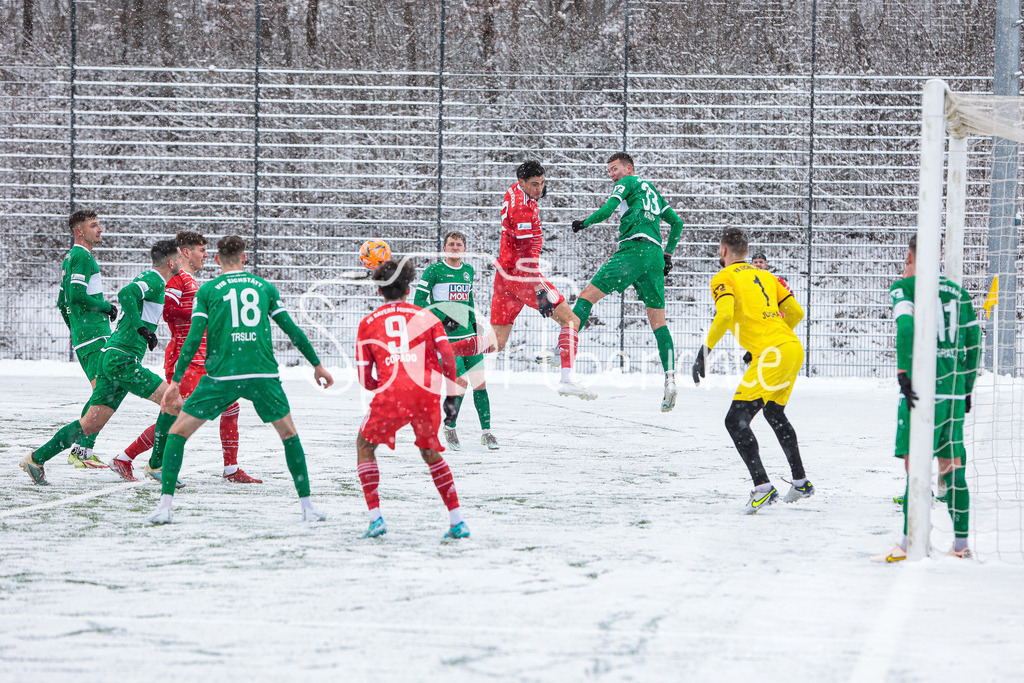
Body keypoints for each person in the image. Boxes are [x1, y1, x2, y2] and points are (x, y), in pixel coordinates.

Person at [146, 236, 333, 524]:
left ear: (218, 259)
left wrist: (175, 381)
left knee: (177, 433)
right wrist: (317, 365)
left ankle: (165, 507)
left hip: (222, 375)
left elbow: (194, 338)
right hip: (261, 374)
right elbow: (292, 329)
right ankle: (307, 507)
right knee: (289, 435)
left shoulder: (207, 290)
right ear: (244, 259)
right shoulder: (264, 288)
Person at [22, 240, 183, 485]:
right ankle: (156, 465)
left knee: (89, 424)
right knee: (172, 402)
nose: (182, 261)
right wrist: (141, 328)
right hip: (122, 360)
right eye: (181, 257)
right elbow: (125, 293)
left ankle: (36, 458)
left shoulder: (153, 280)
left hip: (111, 358)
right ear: (171, 262)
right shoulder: (153, 280)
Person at [111, 231, 259, 483]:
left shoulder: (191, 281)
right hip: (185, 359)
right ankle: (126, 458)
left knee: (229, 407)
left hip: (202, 358)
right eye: (201, 251)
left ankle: (231, 469)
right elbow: (168, 312)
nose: (205, 256)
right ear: (186, 253)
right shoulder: (177, 280)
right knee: (177, 414)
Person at [872, 235, 981, 562]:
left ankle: (909, 543)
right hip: (951, 391)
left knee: (915, 467)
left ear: (910, 257)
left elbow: (905, 328)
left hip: (921, 392)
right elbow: (974, 344)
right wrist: (967, 387)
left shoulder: (905, 288)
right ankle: (960, 545)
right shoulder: (958, 293)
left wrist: (903, 373)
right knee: (952, 468)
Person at [690, 227, 813, 513]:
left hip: (772, 354)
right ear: (747, 251)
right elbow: (796, 312)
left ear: (723, 251)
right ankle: (800, 482)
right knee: (773, 412)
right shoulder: (769, 276)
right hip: (792, 348)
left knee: (735, 421)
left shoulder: (724, 276)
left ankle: (762, 487)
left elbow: (725, 314)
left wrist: (704, 352)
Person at [355, 258, 468, 540]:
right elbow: (449, 359)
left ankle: (376, 518)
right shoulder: (428, 317)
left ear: (380, 291)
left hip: (391, 392)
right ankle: (457, 521)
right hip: (425, 393)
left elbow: (365, 379)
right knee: (431, 453)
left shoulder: (367, 323)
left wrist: (384, 382)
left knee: (364, 445)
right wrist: (450, 397)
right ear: (408, 288)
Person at [569, 152, 685, 412]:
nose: (612, 175)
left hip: (634, 250)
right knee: (658, 321)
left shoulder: (628, 182)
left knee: (587, 296)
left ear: (628, 168)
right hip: (654, 255)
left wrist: (585, 223)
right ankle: (670, 380)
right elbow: (676, 223)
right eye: (609, 171)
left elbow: (609, 209)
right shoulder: (651, 189)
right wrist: (668, 254)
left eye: (615, 169)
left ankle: (563, 350)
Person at [493, 160, 594, 400]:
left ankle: (443, 351)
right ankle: (567, 378)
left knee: (495, 342)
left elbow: (529, 194)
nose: (540, 189)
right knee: (571, 320)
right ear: (522, 182)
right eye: (535, 185)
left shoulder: (515, 191)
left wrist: (535, 192)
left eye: (542, 183)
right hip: (523, 277)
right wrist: (539, 289)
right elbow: (528, 257)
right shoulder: (524, 212)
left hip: (503, 276)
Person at [413, 231, 498, 451]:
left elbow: (468, 299)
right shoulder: (434, 271)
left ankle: (487, 432)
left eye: (459, 244)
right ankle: (450, 427)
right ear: (444, 247)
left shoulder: (468, 271)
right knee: (459, 383)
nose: (455, 247)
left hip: (468, 338)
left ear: (464, 248)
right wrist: (442, 318)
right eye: (451, 244)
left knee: (480, 384)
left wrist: (473, 324)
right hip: (445, 340)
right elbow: (419, 301)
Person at [58, 209, 118, 469]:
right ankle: (81, 451)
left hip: (86, 334)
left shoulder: (70, 257)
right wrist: (106, 307)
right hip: (94, 335)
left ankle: (81, 450)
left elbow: (62, 302)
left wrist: (75, 329)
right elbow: (76, 296)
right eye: (94, 225)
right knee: (105, 392)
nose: (100, 229)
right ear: (79, 231)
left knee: (104, 391)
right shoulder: (82, 256)